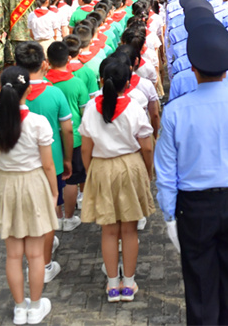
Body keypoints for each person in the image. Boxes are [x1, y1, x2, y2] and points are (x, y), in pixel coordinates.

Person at [155, 23, 228, 326]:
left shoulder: (177, 111)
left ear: (192, 68)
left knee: (201, 287)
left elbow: (166, 171)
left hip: (194, 207)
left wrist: (169, 215)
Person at [0, 66, 58, 326]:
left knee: (13, 254)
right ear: (27, 90)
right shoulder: (38, 123)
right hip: (34, 184)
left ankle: (19, 308)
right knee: (36, 254)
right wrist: (53, 190)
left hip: (6, 184)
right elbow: (49, 165)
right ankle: (36, 307)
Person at [79, 56, 154, 303]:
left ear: (102, 80)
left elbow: (85, 147)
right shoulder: (133, 107)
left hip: (101, 166)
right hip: (129, 166)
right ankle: (129, 283)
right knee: (129, 230)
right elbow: (147, 146)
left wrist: (92, 172)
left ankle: (112, 285)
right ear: (128, 82)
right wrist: (148, 171)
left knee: (108, 231)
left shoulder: (91, 107)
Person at [14, 42, 74, 285]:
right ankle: (46, 264)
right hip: (53, 162)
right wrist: (68, 158)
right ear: (44, 64)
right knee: (50, 214)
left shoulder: (7, 96)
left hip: (18, 168)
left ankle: (28, 260)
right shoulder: (55, 93)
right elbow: (67, 129)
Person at [45, 41, 90, 232]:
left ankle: (56, 217)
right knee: (72, 179)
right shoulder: (77, 83)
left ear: (47, 61)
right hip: (75, 138)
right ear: (69, 59)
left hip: (49, 141)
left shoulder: (45, 84)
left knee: (53, 181)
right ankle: (69, 219)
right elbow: (85, 112)